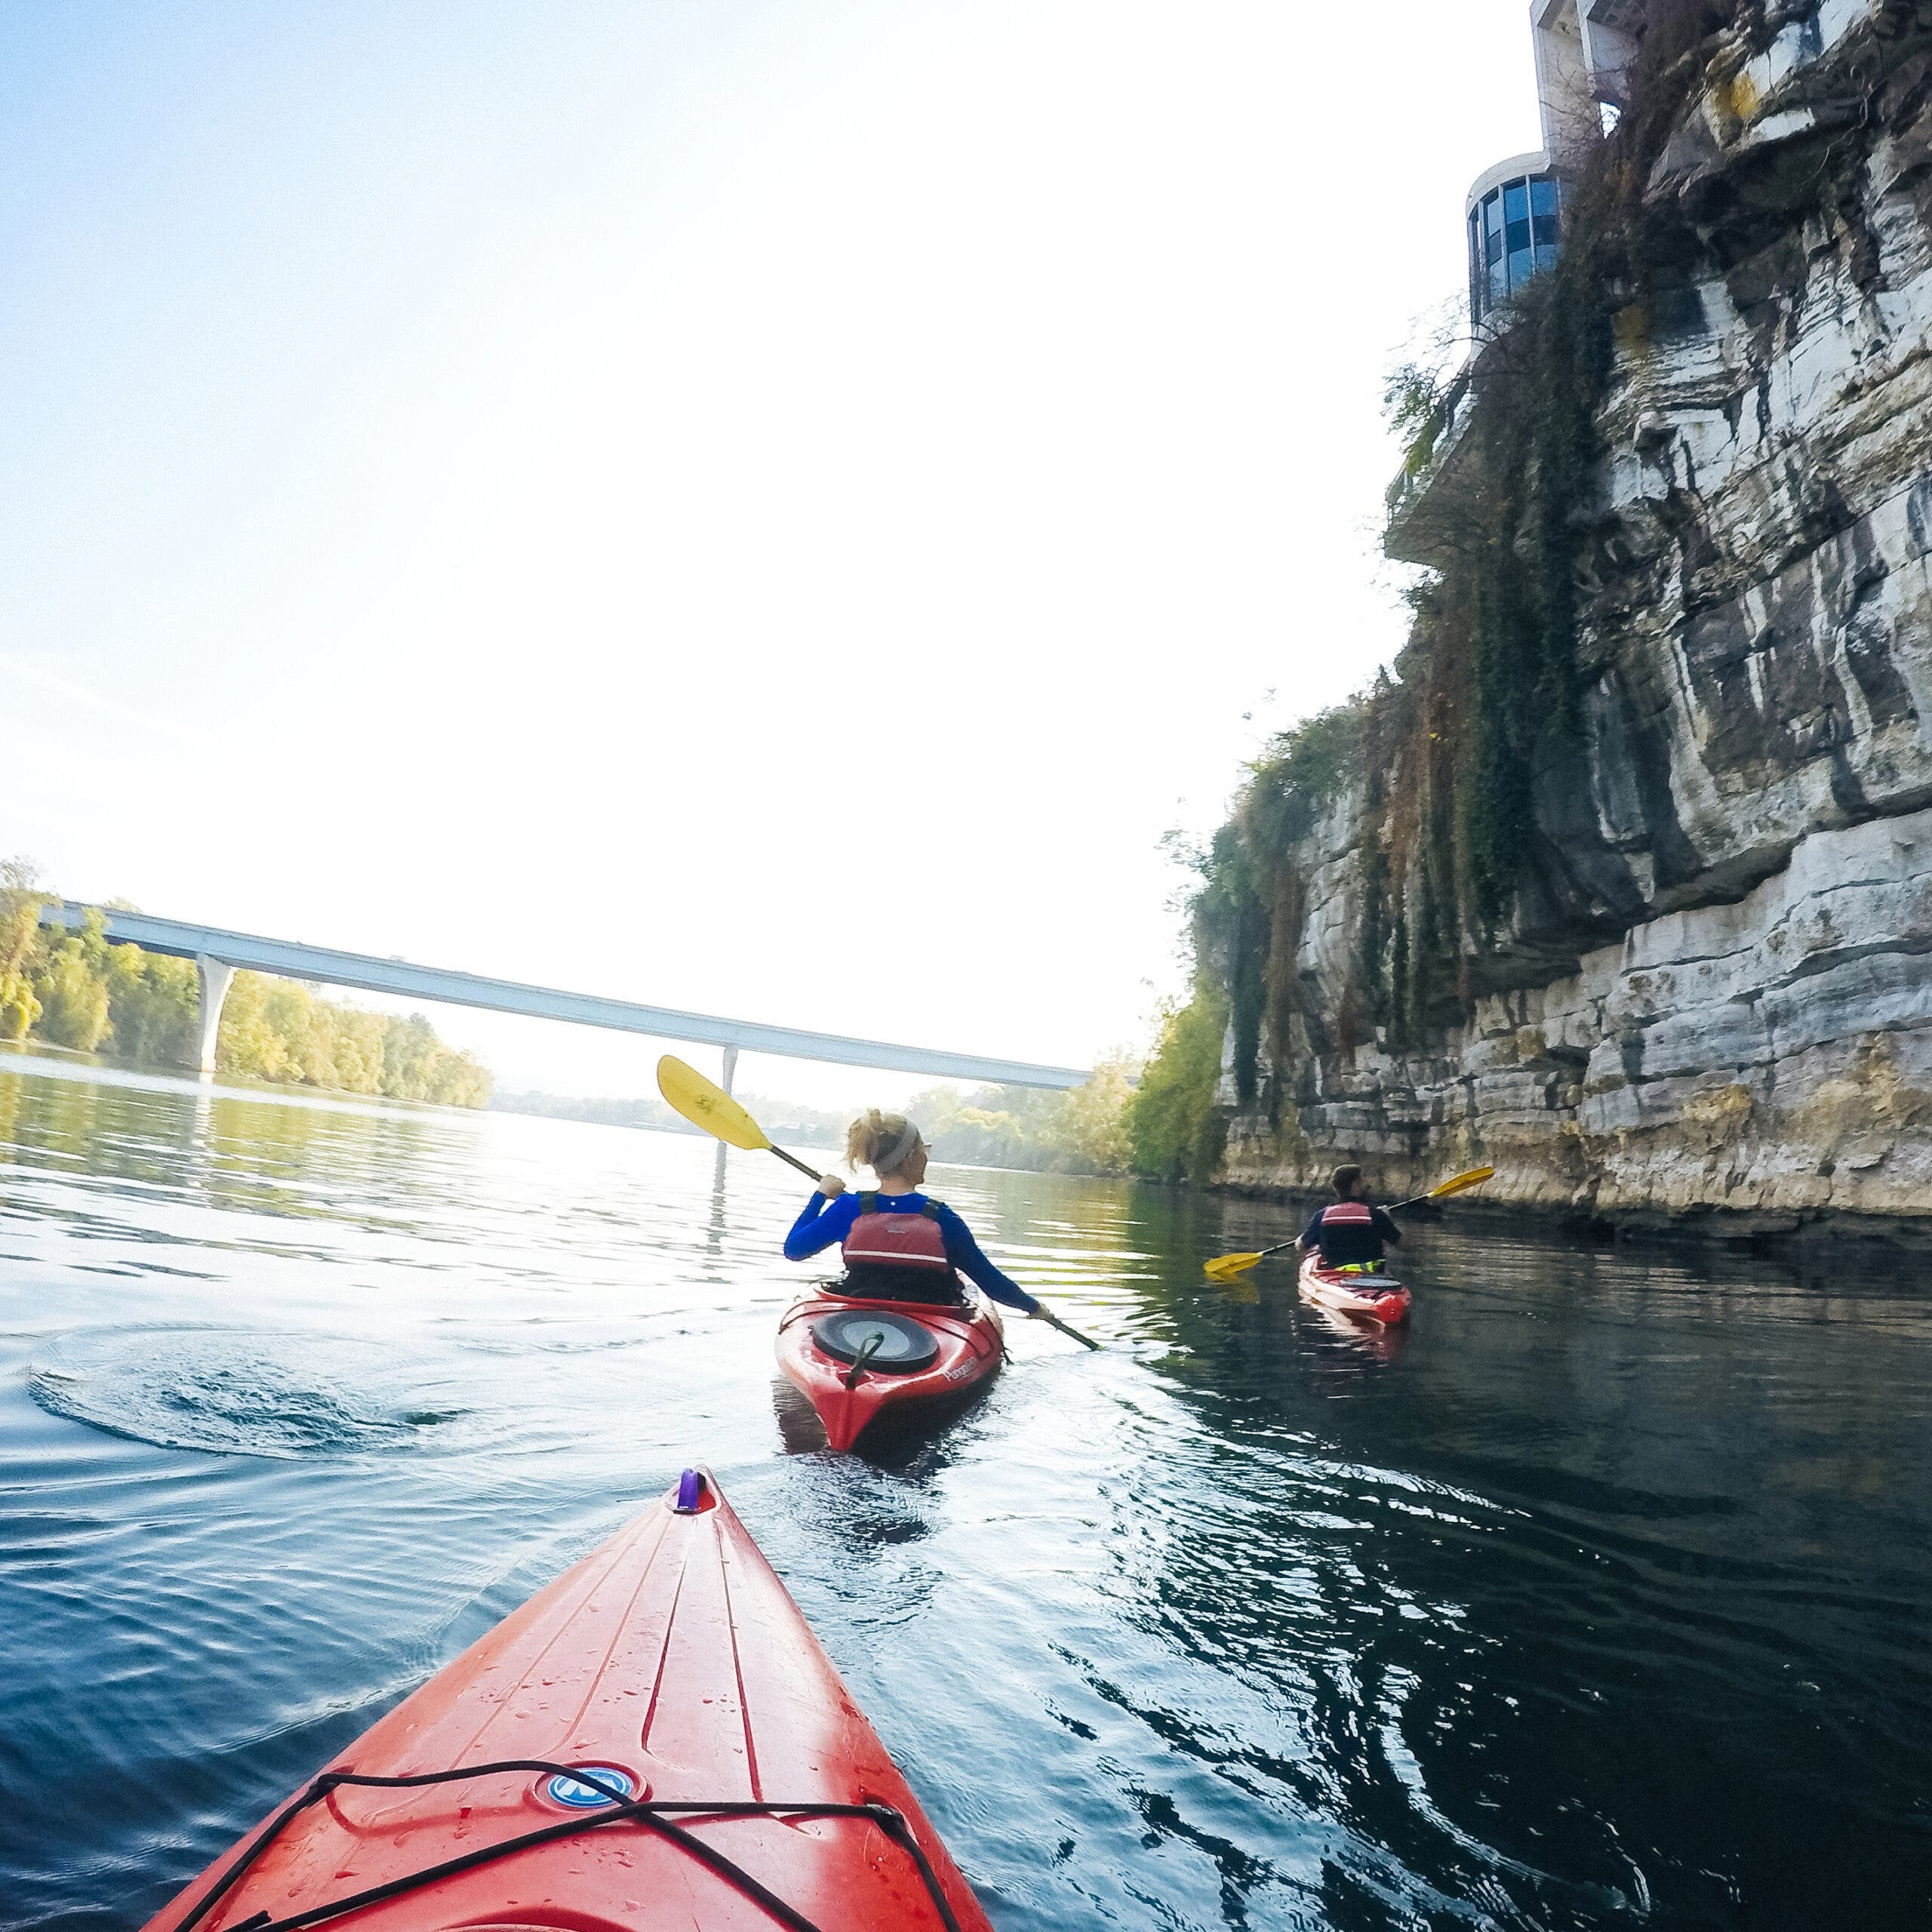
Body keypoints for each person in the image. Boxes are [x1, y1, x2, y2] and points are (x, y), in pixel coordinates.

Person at [784, 1109, 1042, 1315]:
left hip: (859, 1319)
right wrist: (1036, 1308)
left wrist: (820, 1195)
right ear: (910, 1157)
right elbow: (992, 1283)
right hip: (932, 1324)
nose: (926, 1157)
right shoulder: (943, 1219)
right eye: (924, 1150)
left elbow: (794, 1250)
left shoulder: (848, 1208)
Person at [1297, 1164, 1402, 1271]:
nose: (1368, 1185)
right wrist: (1387, 1219)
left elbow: (1301, 1246)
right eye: (1363, 1180)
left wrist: (1301, 1238)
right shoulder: (1376, 1216)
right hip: (1373, 1277)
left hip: (1334, 1276)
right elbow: (1404, 1245)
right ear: (1355, 1185)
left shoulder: (1322, 1216)